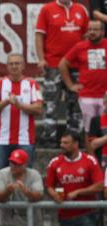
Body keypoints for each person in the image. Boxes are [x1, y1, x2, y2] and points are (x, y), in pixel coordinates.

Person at [36, 0, 88, 144]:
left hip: (77, 65)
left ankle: (74, 138)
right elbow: (39, 35)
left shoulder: (81, 9)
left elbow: (85, 37)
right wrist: (41, 59)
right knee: (51, 103)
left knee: (76, 104)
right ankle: (49, 137)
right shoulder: (47, 9)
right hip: (53, 64)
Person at [0, 54, 43, 171]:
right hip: (2, 139)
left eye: (17, 63)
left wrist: (19, 105)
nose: (14, 66)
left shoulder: (32, 84)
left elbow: (38, 109)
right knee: (1, 177)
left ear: (23, 66)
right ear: (7, 66)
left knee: (25, 177)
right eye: (11, 64)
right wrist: (7, 101)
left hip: (25, 139)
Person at [0, 149, 44, 226]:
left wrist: (26, 191)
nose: (13, 166)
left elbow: (39, 195)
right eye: (12, 162)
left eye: (17, 164)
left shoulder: (34, 175)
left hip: (32, 222)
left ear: (25, 165)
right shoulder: (2, 174)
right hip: (10, 221)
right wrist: (8, 191)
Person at [61, 20, 107, 134]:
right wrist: (70, 85)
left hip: (105, 95)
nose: (92, 32)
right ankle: (90, 152)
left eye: (95, 30)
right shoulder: (80, 46)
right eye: (90, 29)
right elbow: (63, 64)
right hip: (87, 95)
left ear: (102, 31)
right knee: (89, 131)